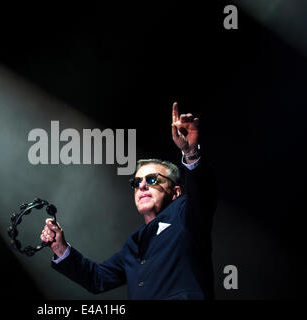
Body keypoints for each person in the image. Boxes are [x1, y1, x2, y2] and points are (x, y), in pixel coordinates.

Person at [40, 102, 217, 299]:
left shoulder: (186, 214)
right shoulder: (133, 243)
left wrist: (190, 152)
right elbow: (97, 278)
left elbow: (202, 192)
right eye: (137, 182)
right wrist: (60, 247)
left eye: (152, 180)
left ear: (175, 192)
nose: (142, 186)